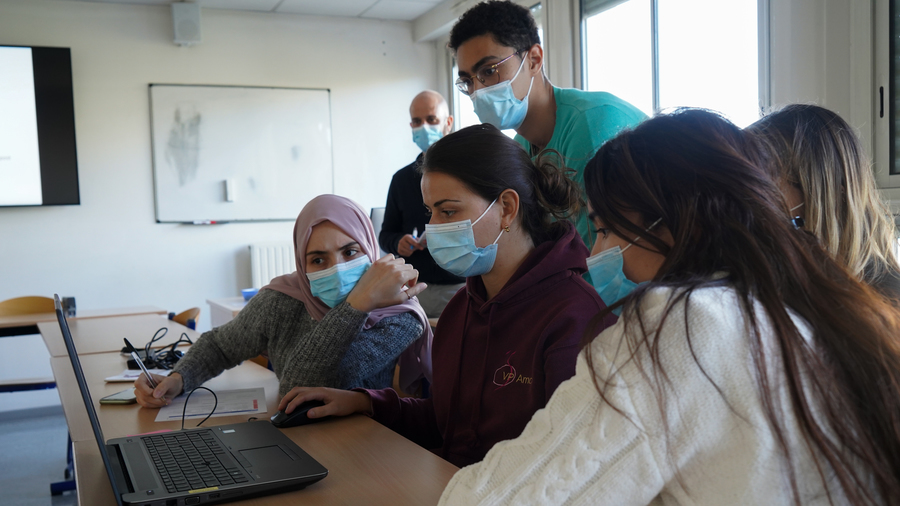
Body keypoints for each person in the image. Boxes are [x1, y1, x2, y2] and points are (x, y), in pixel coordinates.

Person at [437, 110, 900, 505]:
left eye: (606, 229)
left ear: (668, 223)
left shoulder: (684, 322)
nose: (596, 251)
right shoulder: (816, 305)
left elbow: (516, 493)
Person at [278, 125, 616, 467]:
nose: (432, 229)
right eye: (430, 213)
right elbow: (449, 426)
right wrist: (366, 403)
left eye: (448, 211)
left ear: (507, 208)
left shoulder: (575, 318)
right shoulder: (462, 310)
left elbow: (569, 465)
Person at [134, 194, 433, 407]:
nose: (337, 268)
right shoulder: (283, 300)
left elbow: (302, 386)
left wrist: (357, 304)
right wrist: (179, 377)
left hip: (365, 444)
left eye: (350, 252)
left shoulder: (398, 314)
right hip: (289, 435)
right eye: (318, 259)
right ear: (302, 266)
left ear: (369, 248)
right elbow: (222, 345)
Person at [449, 0, 646, 249]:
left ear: (533, 60)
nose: (477, 90)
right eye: (468, 81)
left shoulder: (592, 123)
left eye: (489, 71)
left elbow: (608, 256)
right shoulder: (520, 148)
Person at [747, 104, 900, 300]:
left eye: (764, 181)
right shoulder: (778, 276)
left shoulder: (888, 302)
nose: (753, 197)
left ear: (830, 195)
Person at [380, 90, 465, 318]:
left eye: (431, 119)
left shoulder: (467, 174)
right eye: (417, 121)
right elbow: (386, 233)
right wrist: (398, 241)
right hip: (415, 288)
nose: (424, 126)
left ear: (448, 123)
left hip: (461, 286)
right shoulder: (402, 179)